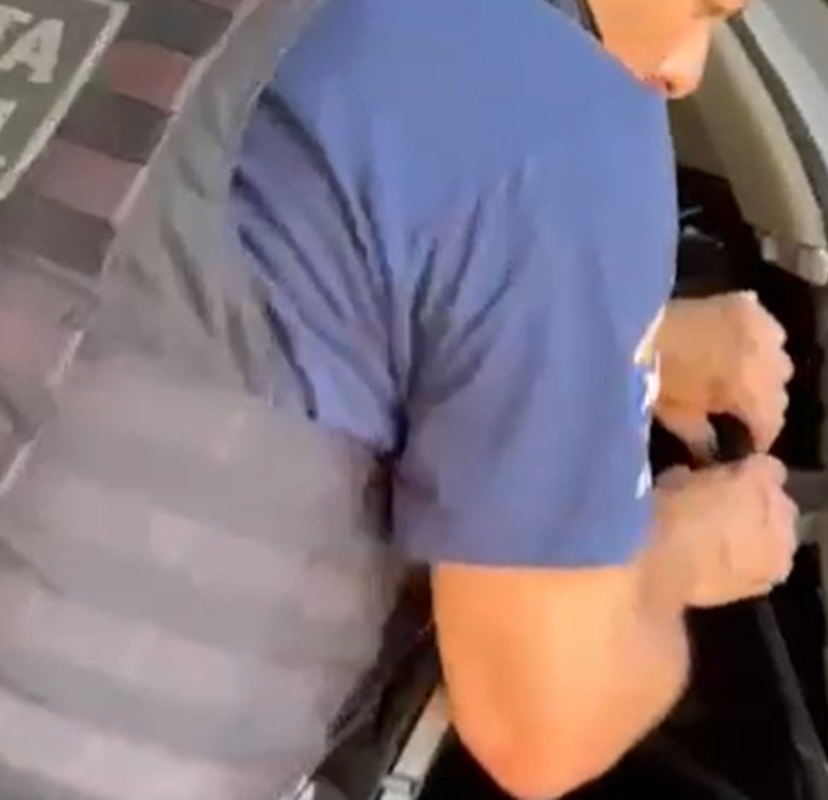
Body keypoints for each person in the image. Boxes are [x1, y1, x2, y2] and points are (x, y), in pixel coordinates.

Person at [227, 0, 796, 797]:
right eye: (702, 10)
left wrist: (621, 349)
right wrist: (679, 554)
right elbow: (538, 732)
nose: (684, 73)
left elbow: (268, 277)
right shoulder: (569, 128)